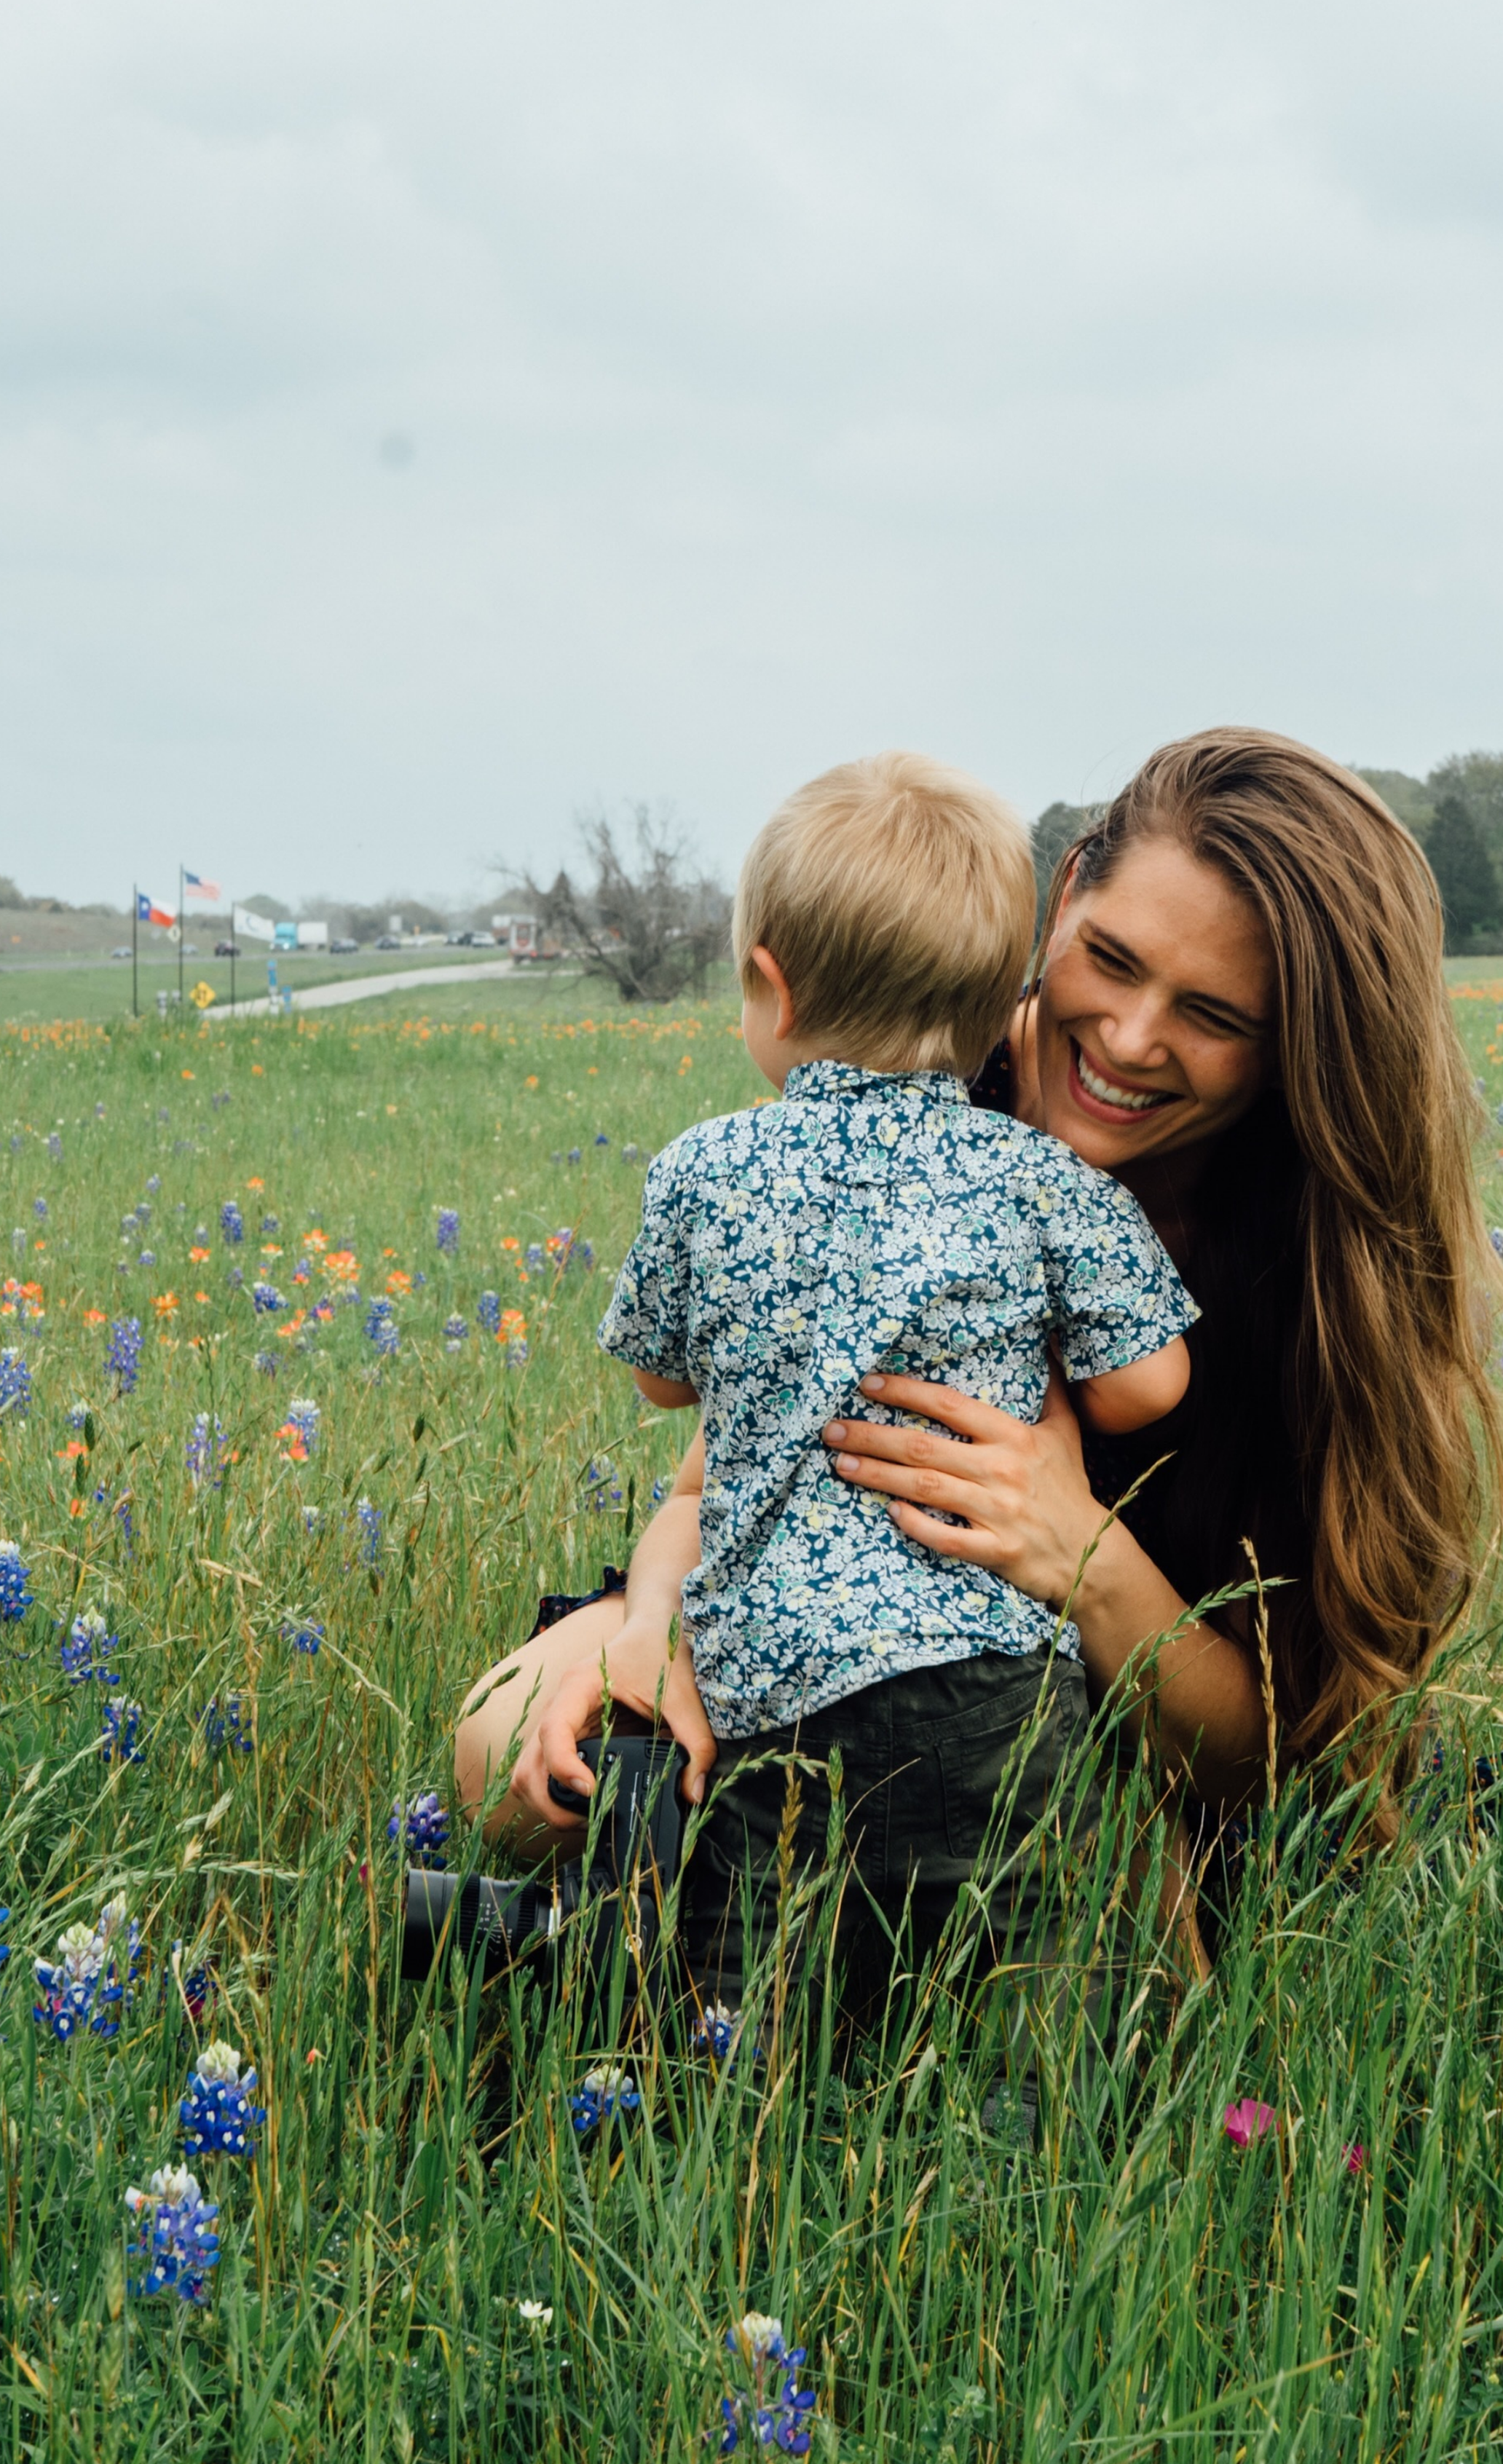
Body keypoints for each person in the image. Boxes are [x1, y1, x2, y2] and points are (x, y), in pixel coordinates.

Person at [457, 727, 1500, 1954]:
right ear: (1058, 904)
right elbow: (712, 1478)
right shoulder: (921, 1070)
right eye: (1110, 960)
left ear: (1296, 1053)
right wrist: (664, 1637)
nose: (1125, 1038)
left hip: (1123, 1722)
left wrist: (1079, 1551)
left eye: (1211, 1015)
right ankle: (690, 1960)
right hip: (820, 1644)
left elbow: (1276, 1760)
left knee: (1107, 1828)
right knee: (513, 1737)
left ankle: (751, 1968)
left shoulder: (1339, 1273)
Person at [583, 754, 1197, 1999]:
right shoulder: (1044, 1180)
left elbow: (658, 1382)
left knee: (755, 1990)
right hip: (991, 1680)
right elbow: (1152, 1389)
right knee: (1015, 1980)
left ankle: (742, 2126)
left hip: (770, 1681)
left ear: (771, 983)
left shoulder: (703, 1171)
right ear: (999, 1013)